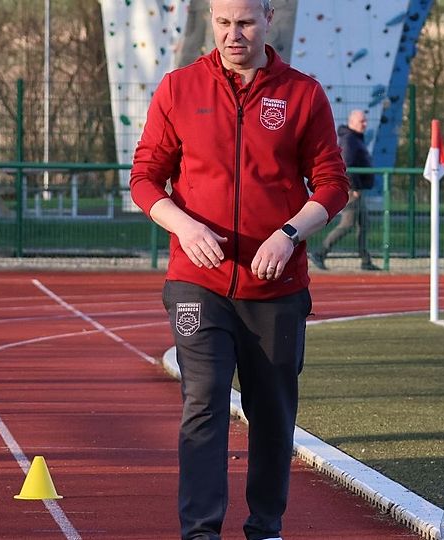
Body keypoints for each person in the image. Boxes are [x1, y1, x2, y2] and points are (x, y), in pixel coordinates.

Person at [129, 0, 349, 538]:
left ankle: (266, 527)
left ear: (268, 19)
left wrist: (289, 234)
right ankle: (201, 531)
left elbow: (332, 185)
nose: (233, 35)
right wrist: (184, 227)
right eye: (223, 23)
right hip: (197, 283)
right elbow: (144, 178)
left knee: (271, 412)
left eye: (245, 23)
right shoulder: (179, 88)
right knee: (203, 403)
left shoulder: (302, 94)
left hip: (276, 288)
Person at [309, 109, 380, 271]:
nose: (365, 124)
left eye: (365, 121)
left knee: (364, 224)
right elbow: (347, 164)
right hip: (353, 190)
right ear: (352, 122)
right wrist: (354, 187)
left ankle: (365, 260)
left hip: (358, 190)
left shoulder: (356, 138)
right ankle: (320, 253)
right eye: (362, 121)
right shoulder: (349, 140)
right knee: (348, 224)